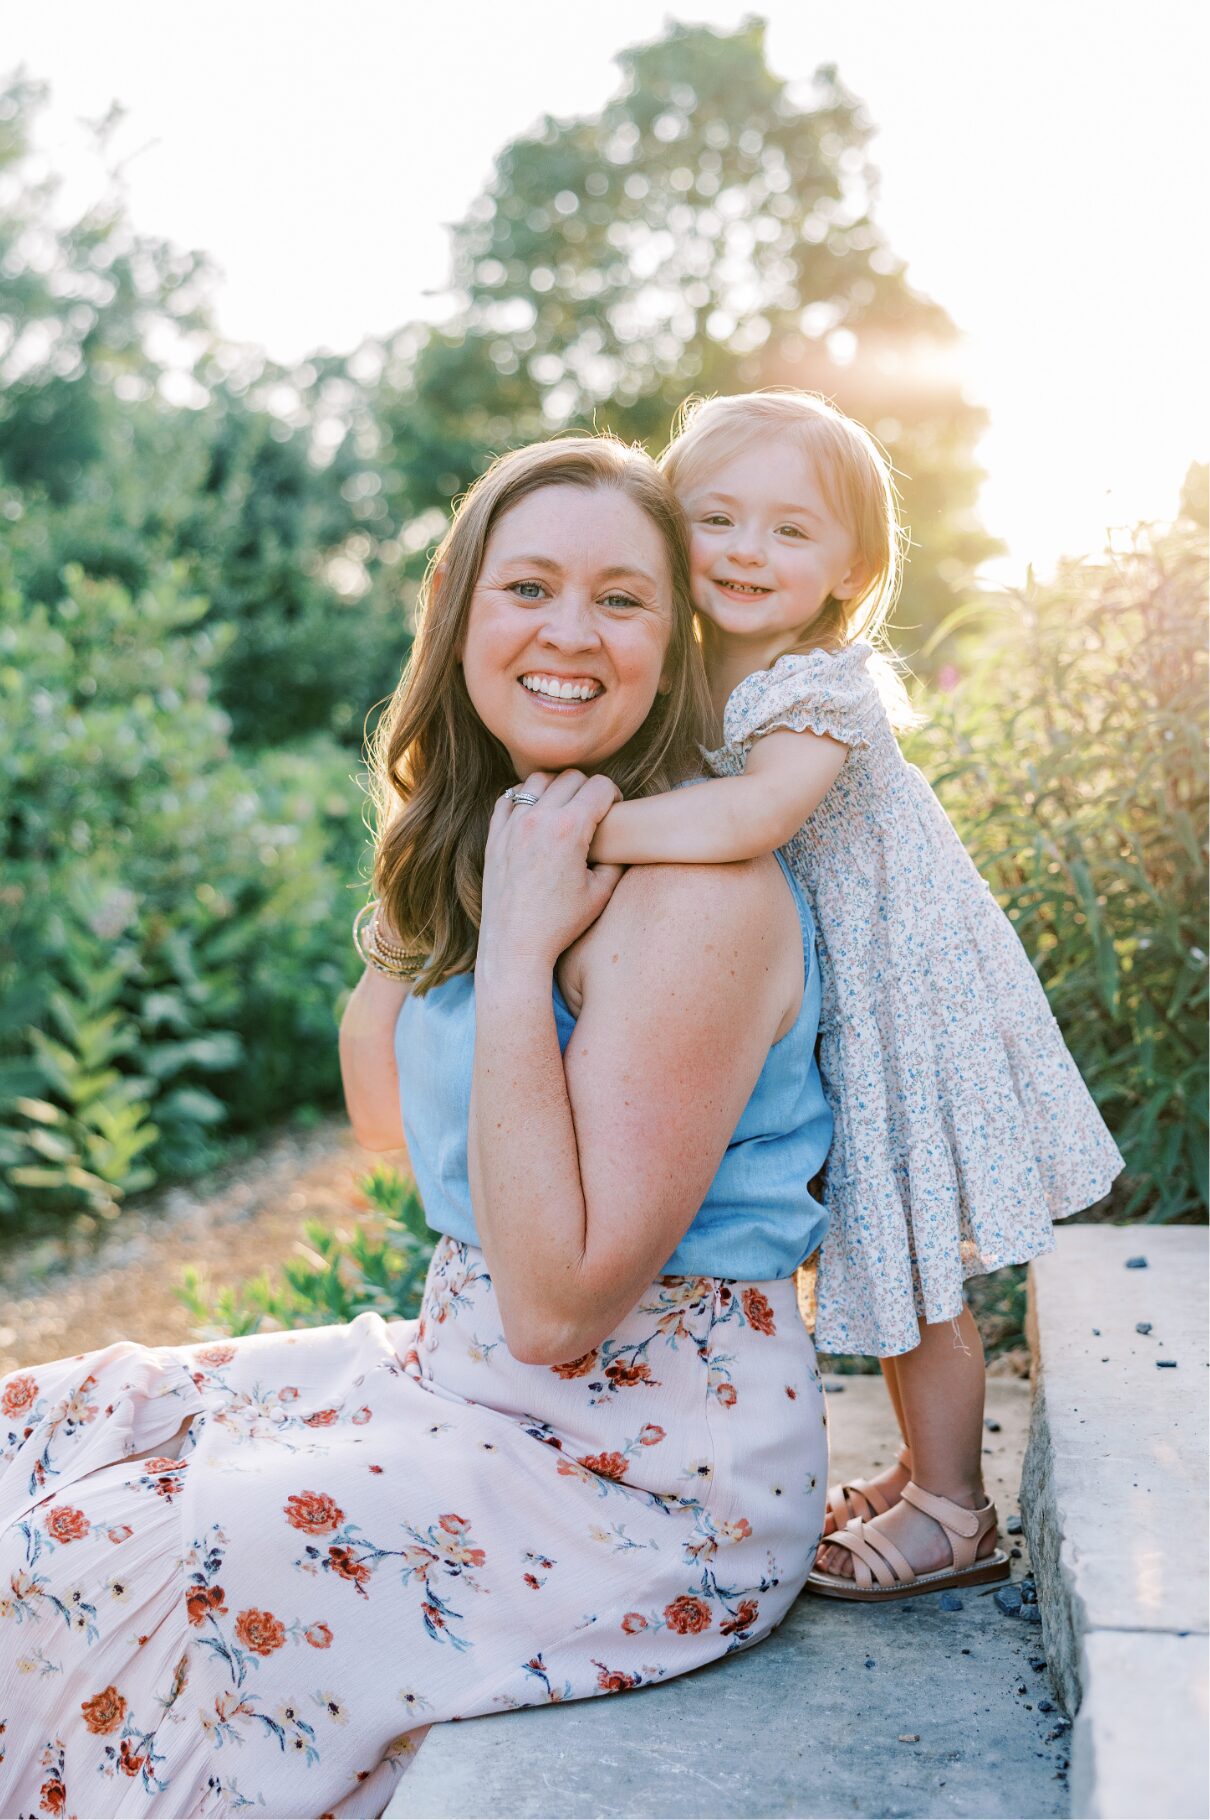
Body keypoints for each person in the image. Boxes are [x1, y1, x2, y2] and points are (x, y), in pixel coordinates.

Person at [0, 435, 834, 1818]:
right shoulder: (523, 834)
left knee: (107, 1542)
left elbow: (560, 1308)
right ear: (458, 614)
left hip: (642, 1477)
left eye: (622, 599)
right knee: (49, 1421)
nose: (569, 633)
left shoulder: (701, 896)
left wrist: (513, 961)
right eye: (526, 588)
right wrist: (433, 876)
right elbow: (388, 1126)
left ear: (672, 638)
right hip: (456, 1382)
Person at [588, 390, 1124, 1600]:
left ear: (849, 568)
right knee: (874, 1248)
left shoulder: (818, 687)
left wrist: (588, 832)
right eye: (715, 517)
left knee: (917, 1263)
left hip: (903, 1004)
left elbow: (754, 813)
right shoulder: (692, 680)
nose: (744, 550)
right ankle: (915, 1476)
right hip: (842, 1002)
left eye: (789, 531)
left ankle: (952, 1506)